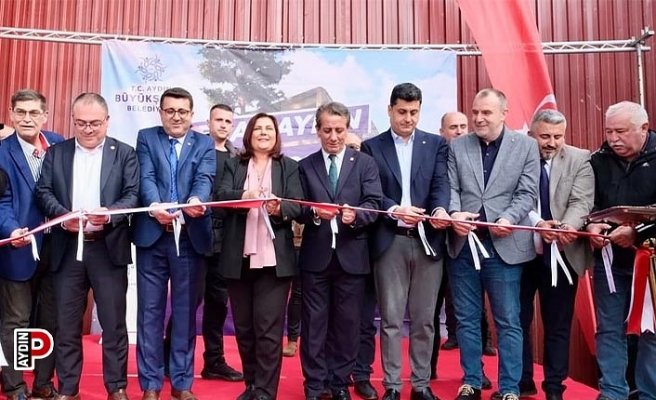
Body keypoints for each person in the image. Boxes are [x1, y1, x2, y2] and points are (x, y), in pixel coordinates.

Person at [35, 92, 139, 400]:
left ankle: (116, 387)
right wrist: (61, 215)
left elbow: (133, 195)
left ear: (107, 121)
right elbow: (43, 191)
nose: (88, 129)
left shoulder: (124, 153)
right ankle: (68, 389)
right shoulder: (57, 153)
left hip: (108, 248)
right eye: (81, 123)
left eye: (95, 123)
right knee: (66, 324)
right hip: (67, 248)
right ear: (73, 120)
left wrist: (110, 214)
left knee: (113, 324)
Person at [447, 88, 539, 400]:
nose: (478, 118)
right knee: (467, 319)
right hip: (464, 245)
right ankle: (472, 381)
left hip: (505, 246)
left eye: (486, 112)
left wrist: (508, 217)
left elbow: (527, 192)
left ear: (503, 113)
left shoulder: (526, 146)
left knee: (508, 320)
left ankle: (509, 388)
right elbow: (451, 187)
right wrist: (455, 213)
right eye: (475, 112)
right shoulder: (458, 145)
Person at [361, 83, 450, 400]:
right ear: (389, 110)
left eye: (414, 112)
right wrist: (394, 210)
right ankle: (393, 386)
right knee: (391, 320)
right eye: (402, 111)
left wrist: (439, 210)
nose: (408, 118)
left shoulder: (436, 144)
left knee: (425, 321)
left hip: (428, 240)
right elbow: (371, 192)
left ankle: (421, 385)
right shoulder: (372, 147)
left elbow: (440, 184)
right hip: (390, 240)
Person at [133, 87, 215, 400]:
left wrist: (196, 200)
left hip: (190, 238)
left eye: (182, 111)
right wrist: (155, 206)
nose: (176, 117)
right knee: (149, 313)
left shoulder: (204, 143)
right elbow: (146, 177)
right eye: (170, 111)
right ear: (161, 112)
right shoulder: (146, 137)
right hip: (153, 236)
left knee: (184, 313)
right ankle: (151, 384)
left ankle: (181, 383)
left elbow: (205, 178)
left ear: (191, 115)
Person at [299, 102, 382, 400]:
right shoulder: (305, 165)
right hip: (316, 259)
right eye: (327, 130)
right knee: (314, 326)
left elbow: (374, 203)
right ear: (317, 130)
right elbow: (298, 207)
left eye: (339, 130)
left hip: (353, 257)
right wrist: (315, 213)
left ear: (348, 129)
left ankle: (338, 383)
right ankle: (314, 384)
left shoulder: (365, 164)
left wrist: (356, 215)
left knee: (348, 325)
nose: (333, 137)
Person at [217, 112, 303, 400]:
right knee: (244, 329)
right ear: (249, 134)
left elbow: (297, 206)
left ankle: (266, 391)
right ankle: (252, 385)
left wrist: (279, 208)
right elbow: (219, 196)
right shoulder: (234, 164)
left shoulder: (289, 167)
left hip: (274, 262)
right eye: (258, 128)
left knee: (268, 329)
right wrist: (244, 196)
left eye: (269, 129)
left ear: (276, 135)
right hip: (238, 259)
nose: (264, 133)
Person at [514, 109, 595, 400]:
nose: (551, 142)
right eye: (545, 136)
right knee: (517, 320)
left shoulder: (580, 158)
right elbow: (512, 197)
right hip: (520, 252)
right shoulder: (516, 156)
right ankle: (522, 381)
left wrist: (565, 228)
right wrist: (538, 224)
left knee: (558, 324)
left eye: (558, 137)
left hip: (563, 252)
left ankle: (554, 388)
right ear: (531, 134)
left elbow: (581, 201)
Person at [162, 103, 243, 382]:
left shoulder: (237, 157)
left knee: (218, 303)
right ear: (208, 122)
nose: (223, 125)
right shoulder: (196, 150)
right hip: (195, 236)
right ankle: (168, 358)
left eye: (228, 121)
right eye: (218, 120)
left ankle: (214, 361)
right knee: (187, 301)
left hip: (225, 241)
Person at [585, 101, 656, 400]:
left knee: (652, 330)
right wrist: (591, 225)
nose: (613, 139)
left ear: (644, 128)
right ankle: (613, 392)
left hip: (651, 261)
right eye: (609, 131)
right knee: (609, 328)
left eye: (621, 131)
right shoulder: (597, 160)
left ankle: (649, 393)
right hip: (610, 260)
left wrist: (638, 233)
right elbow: (586, 203)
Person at [0, 89, 64, 400]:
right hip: (19, 248)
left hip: (57, 248)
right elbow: (1, 202)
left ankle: (42, 382)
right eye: (21, 112)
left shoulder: (58, 144)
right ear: (11, 115)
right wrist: (12, 229)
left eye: (34, 112)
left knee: (50, 319)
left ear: (45, 116)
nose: (27, 118)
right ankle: (15, 385)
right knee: (18, 320)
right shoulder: (1, 152)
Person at [430, 111, 494, 391]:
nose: (458, 131)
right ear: (442, 132)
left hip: (466, 243)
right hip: (434, 242)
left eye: (462, 126)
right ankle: (427, 368)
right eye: (453, 127)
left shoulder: (474, 155)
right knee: (431, 309)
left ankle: (477, 371)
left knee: (472, 308)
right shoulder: (433, 155)